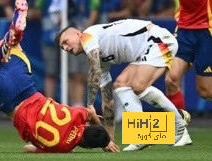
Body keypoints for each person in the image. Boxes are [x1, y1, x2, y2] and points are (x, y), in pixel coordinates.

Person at [0, 0, 120, 153]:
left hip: (26, 85)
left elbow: (90, 112)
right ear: (88, 146)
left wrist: (105, 138)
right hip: (7, 100)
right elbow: (28, 148)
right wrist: (87, 144)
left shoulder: (78, 116)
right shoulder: (61, 148)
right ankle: (140, 138)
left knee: (13, 44)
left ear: (87, 126)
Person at [56, 19, 191, 151]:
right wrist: (109, 139)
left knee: (139, 85)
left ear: (78, 34)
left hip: (158, 39)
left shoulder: (87, 36)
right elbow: (107, 100)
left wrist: (90, 104)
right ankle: (141, 136)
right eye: (63, 47)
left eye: (66, 42)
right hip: (144, 51)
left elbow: (94, 70)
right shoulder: (98, 57)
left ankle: (179, 121)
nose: (66, 48)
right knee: (120, 85)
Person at [165, 0, 212, 111]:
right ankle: (176, 125)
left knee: (205, 92)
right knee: (170, 80)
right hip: (183, 30)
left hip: (208, 30)